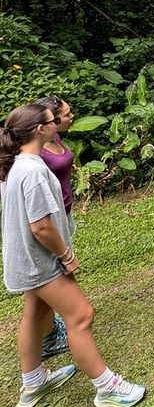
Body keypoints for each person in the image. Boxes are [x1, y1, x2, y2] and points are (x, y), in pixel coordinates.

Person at [0, 103, 145, 407]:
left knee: (35, 313)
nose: (60, 123)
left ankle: (33, 382)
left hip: (24, 261)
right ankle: (107, 388)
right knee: (81, 316)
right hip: (41, 262)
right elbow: (40, 226)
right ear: (41, 129)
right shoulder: (34, 171)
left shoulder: (16, 164)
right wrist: (65, 254)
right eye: (54, 120)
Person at [34, 95, 76, 361]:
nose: (71, 117)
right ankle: (58, 330)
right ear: (49, 121)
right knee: (57, 270)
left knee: (52, 276)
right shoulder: (36, 152)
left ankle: (50, 328)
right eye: (67, 114)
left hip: (65, 212)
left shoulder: (56, 139)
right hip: (49, 219)